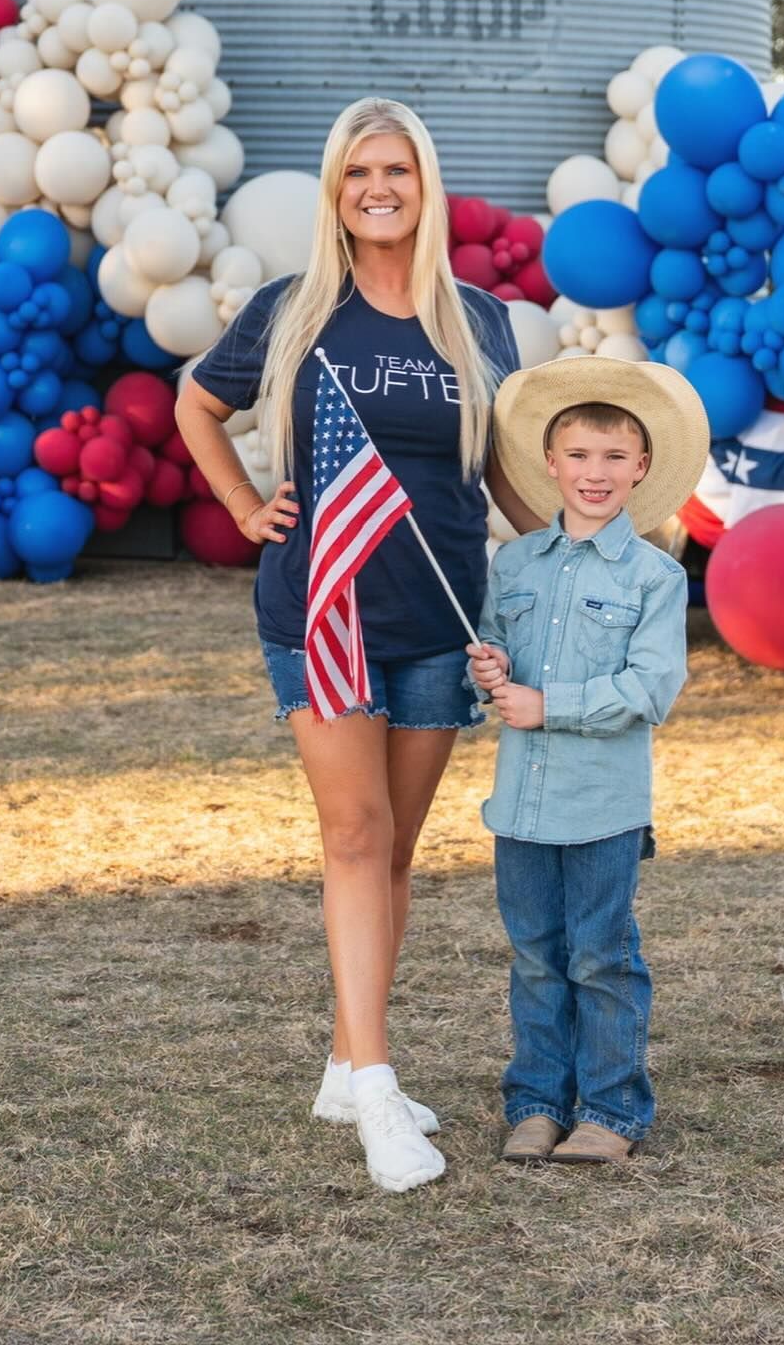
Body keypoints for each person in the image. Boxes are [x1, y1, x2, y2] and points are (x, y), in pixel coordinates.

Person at [175, 97, 536, 1194]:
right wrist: (243, 505)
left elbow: (496, 470)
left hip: (441, 615)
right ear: (337, 191)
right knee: (353, 833)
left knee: (394, 853)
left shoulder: (481, 320)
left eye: (398, 171)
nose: (378, 189)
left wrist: (584, 541)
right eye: (358, 172)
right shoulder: (294, 309)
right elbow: (196, 404)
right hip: (323, 610)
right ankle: (378, 1091)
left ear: (426, 187)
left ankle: (345, 1063)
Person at [467, 355, 709, 1165]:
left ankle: (610, 1111)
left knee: (601, 957)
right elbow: (494, 653)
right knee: (537, 958)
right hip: (521, 806)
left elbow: (650, 688)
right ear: (550, 463)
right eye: (577, 454)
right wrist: (491, 669)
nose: (594, 472)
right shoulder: (514, 565)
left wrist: (552, 705)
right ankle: (537, 1103)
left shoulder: (655, 577)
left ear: (642, 467)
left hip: (603, 806)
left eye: (613, 456)